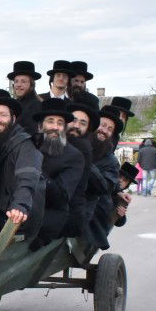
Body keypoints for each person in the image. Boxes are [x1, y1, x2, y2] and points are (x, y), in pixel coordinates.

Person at [0, 89, 45, 243]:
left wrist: (20, 205)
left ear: (13, 118)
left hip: (15, 215)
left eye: (3, 115)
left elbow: (27, 177)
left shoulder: (25, 144)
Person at [32, 97, 84, 247]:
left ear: (64, 128)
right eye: (50, 121)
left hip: (49, 215)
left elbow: (61, 197)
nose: (55, 127)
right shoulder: (28, 145)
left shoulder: (74, 156)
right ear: (40, 125)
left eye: (60, 123)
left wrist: (36, 172)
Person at [84, 104, 124, 250]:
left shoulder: (111, 162)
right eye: (102, 125)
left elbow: (105, 187)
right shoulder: (77, 145)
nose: (104, 130)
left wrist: (87, 162)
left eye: (110, 129)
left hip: (93, 212)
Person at [62, 95, 98, 238]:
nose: (76, 126)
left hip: (68, 214)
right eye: (74, 120)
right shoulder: (59, 141)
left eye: (83, 123)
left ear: (88, 128)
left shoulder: (82, 148)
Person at [6, 60, 42, 134]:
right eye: (16, 81)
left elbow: (31, 133)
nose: (18, 85)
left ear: (31, 85)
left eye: (23, 81)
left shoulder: (35, 105)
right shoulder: (14, 104)